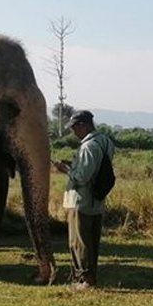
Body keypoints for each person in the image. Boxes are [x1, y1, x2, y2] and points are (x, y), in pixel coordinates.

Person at [52, 110, 114, 289]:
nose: (73, 132)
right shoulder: (105, 142)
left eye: (74, 128)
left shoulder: (88, 146)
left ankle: (85, 280)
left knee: (79, 242)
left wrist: (66, 170)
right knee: (92, 241)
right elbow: (96, 168)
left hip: (81, 200)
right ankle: (89, 277)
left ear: (83, 125)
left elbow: (82, 177)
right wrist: (75, 165)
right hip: (96, 200)